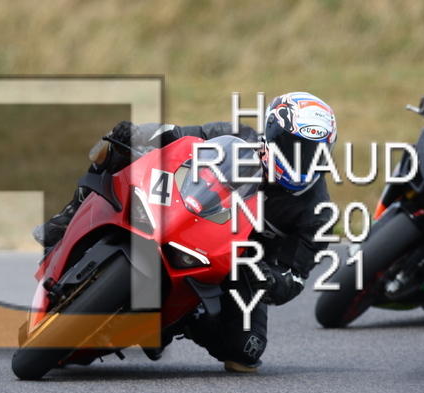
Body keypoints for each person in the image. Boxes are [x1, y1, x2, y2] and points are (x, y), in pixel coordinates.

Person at [34, 92, 337, 372]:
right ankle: (66, 219)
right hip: (188, 214)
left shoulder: (318, 213)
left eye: (314, 153)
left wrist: (271, 280)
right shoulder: (237, 137)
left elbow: (296, 277)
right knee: (117, 148)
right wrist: (136, 136)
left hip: (240, 268)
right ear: (272, 134)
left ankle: (184, 319)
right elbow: (177, 137)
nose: (301, 159)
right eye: (293, 147)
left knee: (246, 352)